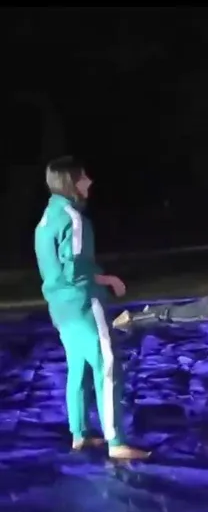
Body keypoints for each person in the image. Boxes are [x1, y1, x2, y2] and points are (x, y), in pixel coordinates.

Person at [33, 156, 149, 460]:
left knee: (79, 368)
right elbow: (76, 270)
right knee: (107, 365)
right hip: (82, 302)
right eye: (84, 177)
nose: (89, 181)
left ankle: (80, 434)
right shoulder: (73, 219)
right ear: (72, 182)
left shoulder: (47, 218)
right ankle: (117, 442)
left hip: (60, 307)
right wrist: (108, 279)